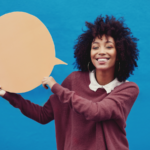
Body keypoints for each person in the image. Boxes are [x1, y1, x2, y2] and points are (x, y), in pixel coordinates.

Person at [0, 15, 139, 150]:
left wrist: (56, 87)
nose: (101, 52)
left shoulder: (128, 89)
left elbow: (97, 111)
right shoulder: (74, 80)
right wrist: (8, 95)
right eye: (95, 47)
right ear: (88, 52)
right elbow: (43, 115)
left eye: (109, 47)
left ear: (120, 52)